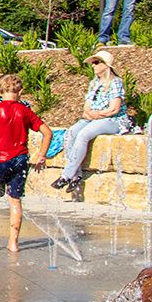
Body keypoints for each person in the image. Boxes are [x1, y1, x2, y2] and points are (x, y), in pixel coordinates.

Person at [0, 73, 48, 253]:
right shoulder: (25, 111)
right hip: (20, 160)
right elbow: (47, 132)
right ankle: (13, 243)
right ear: (21, 92)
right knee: (15, 201)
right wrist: (41, 155)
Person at [50, 50, 130, 198]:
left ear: (106, 65)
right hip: (93, 118)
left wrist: (96, 115)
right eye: (93, 63)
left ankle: (66, 175)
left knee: (84, 134)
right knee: (71, 133)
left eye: (96, 62)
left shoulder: (115, 82)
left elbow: (114, 108)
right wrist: (89, 114)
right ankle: (76, 176)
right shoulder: (94, 83)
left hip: (113, 120)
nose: (93, 65)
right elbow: (86, 108)